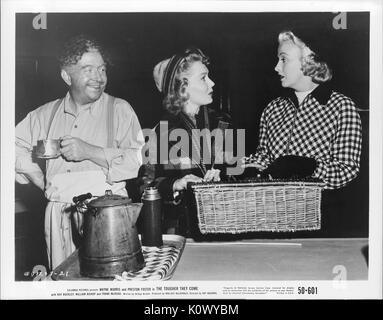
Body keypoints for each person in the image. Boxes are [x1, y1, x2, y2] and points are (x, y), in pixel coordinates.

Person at [15, 34, 144, 269]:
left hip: (107, 216)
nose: (99, 78)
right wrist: (38, 177)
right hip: (57, 216)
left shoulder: (120, 109)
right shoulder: (45, 114)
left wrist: (90, 151)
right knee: (62, 281)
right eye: (88, 69)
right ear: (66, 76)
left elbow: (137, 159)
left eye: (102, 69)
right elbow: (10, 144)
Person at [245, 30, 363, 236]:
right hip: (272, 217)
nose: (276, 67)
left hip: (320, 221)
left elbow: (347, 170)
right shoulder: (273, 108)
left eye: (283, 60)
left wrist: (307, 167)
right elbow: (263, 158)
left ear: (309, 61)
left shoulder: (341, 106)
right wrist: (240, 166)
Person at [138, 47, 230, 237]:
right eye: (203, 78)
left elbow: (236, 173)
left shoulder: (222, 125)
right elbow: (144, 186)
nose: (212, 83)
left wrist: (225, 179)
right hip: (180, 233)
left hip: (222, 224)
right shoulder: (160, 132)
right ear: (182, 87)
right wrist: (176, 183)